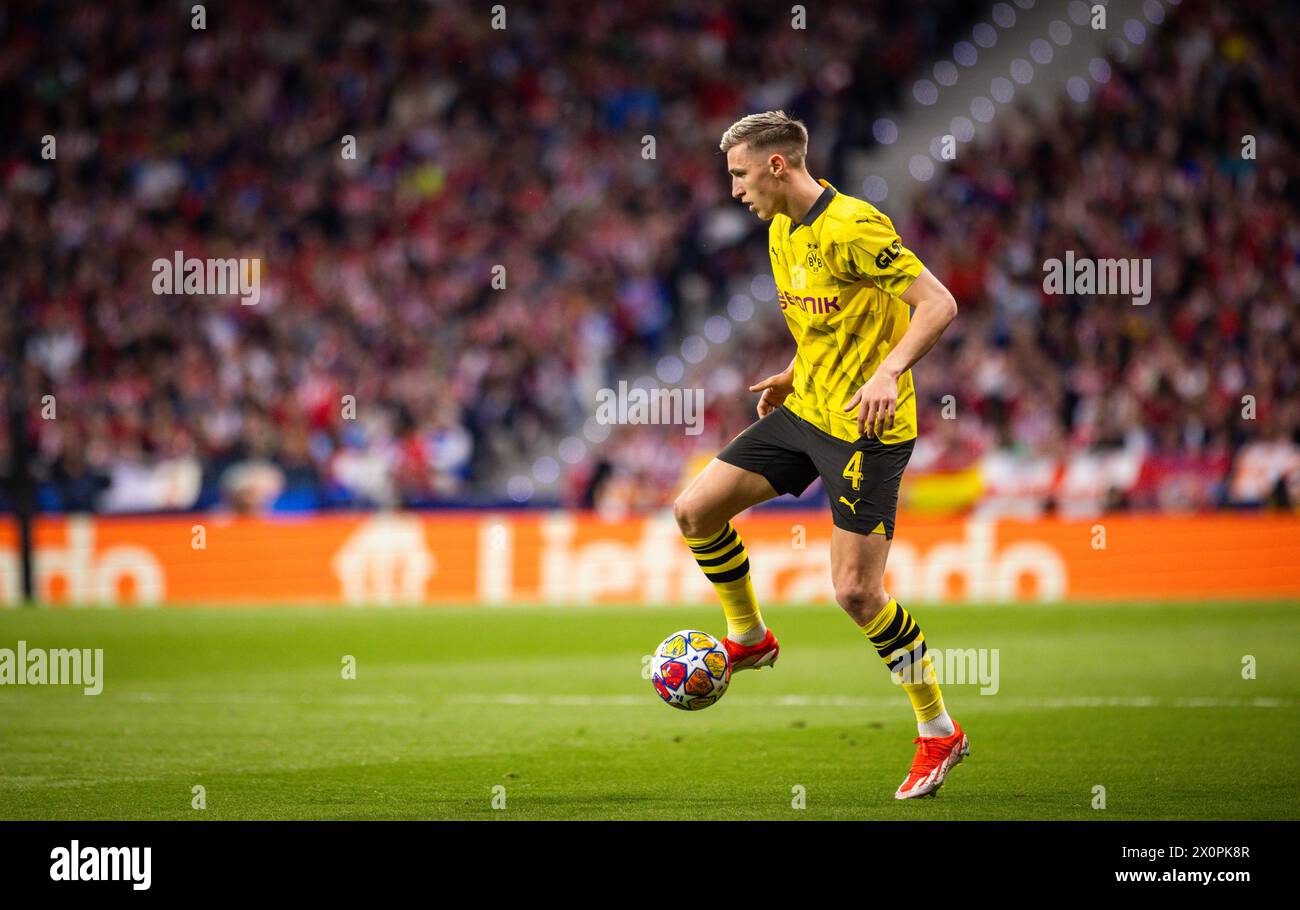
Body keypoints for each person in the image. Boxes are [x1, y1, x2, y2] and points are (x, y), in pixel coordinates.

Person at [673, 110, 967, 799]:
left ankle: (938, 731)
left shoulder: (853, 228)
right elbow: (822, 324)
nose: (736, 190)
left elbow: (939, 303)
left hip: (867, 429)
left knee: (856, 593)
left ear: (777, 166)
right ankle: (749, 636)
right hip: (808, 409)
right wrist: (793, 371)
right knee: (695, 511)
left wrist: (888, 373)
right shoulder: (780, 230)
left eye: (741, 175)